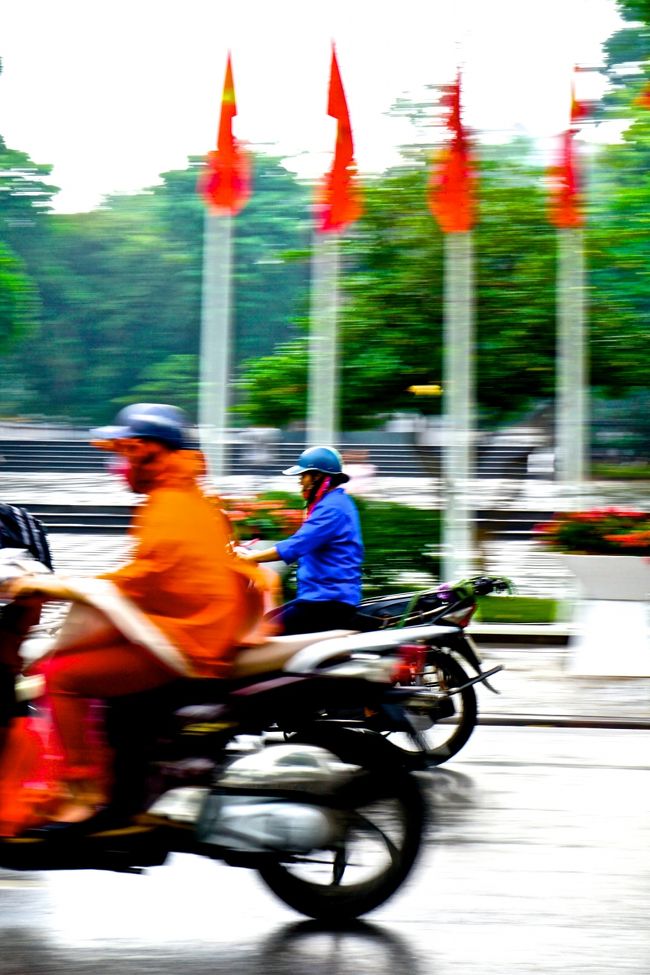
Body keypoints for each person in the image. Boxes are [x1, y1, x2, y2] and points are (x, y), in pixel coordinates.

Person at [0, 404, 265, 827]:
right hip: (189, 625)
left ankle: (81, 788)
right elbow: (151, 576)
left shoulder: (171, 506)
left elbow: (146, 576)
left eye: (125, 453)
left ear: (148, 454)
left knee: (60, 676)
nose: (118, 466)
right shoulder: (183, 500)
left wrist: (64, 585)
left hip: (188, 637)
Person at [238, 446, 363, 635]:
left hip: (327, 604)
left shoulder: (332, 508)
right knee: (264, 622)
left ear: (318, 476)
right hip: (319, 599)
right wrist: (254, 555)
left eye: (303, 475)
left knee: (261, 634)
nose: (300, 481)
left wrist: (251, 558)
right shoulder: (334, 503)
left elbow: (297, 545)